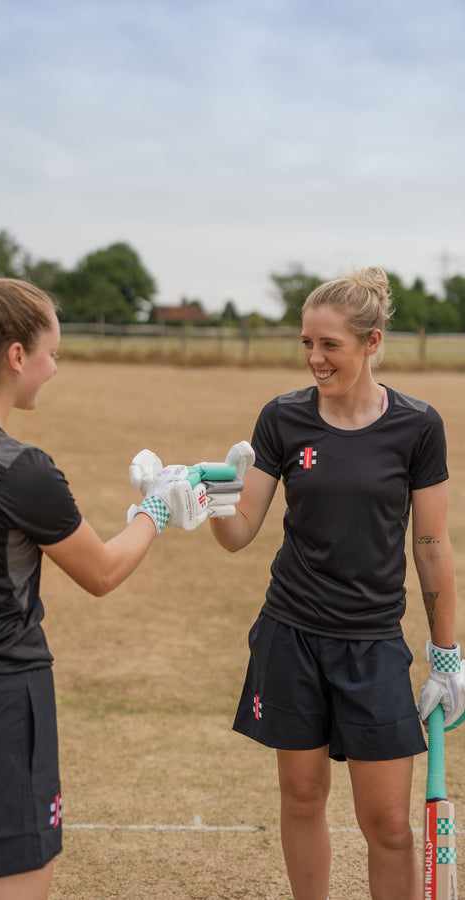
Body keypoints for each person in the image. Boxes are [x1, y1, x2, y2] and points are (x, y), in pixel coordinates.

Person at [0, 262, 235, 900]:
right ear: (15, 355)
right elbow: (103, 571)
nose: (55, 367)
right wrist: (157, 510)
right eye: (51, 353)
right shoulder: (21, 470)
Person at [209, 266, 465, 900]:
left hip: (372, 643)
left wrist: (446, 653)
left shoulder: (416, 426)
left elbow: (431, 548)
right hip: (290, 634)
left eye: (329, 345)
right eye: (306, 343)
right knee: (301, 796)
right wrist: (211, 502)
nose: (314, 359)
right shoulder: (283, 419)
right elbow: (242, 531)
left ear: (372, 343)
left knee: (387, 826)